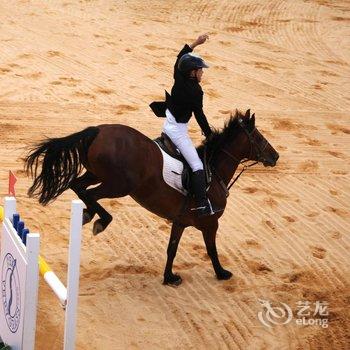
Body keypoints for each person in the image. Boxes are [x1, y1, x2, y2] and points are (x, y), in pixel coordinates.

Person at [163, 34, 214, 216]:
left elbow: (179, 58)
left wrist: (195, 44)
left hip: (168, 124)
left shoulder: (179, 76)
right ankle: (201, 204)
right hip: (177, 133)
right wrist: (210, 135)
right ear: (192, 72)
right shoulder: (195, 91)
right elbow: (200, 116)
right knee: (197, 165)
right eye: (200, 70)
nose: (202, 72)